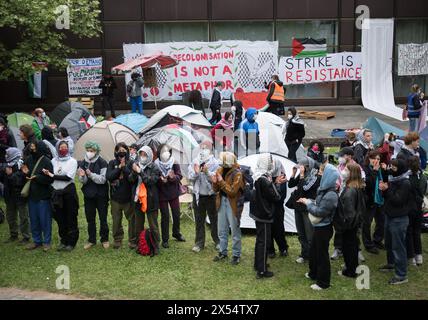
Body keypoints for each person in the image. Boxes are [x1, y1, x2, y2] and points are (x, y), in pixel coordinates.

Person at [297, 164, 339, 290]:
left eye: (322, 172)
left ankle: (323, 282)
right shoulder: (324, 189)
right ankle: (313, 273)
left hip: (324, 228)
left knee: (322, 255)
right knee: (314, 251)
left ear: (328, 176)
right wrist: (309, 201)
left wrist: (308, 204)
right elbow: (319, 203)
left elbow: (320, 212)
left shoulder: (331, 194)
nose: (320, 174)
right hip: (319, 226)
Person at [250, 153, 284, 279]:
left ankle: (258, 264)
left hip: (258, 212)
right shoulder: (264, 179)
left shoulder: (257, 176)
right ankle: (262, 270)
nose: (272, 163)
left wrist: (273, 182)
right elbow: (276, 196)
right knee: (263, 242)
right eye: (270, 162)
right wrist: (277, 183)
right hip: (264, 214)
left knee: (260, 240)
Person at [379, 159, 411, 285]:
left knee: (398, 247)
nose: (391, 168)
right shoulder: (394, 179)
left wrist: (386, 190)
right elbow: (389, 195)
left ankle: (401, 275)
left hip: (399, 219)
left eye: (394, 167)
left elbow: (398, 200)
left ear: (401, 168)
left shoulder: (405, 183)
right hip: (389, 216)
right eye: (391, 166)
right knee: (389, 243)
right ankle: (391, 263)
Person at [43, 141, 79, 252]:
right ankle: (63, 240)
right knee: (60, 218)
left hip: (68, 193)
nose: (63, 149)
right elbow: (50, 176)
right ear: (57, 148)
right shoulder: (53, 161)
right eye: (61, 147)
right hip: (56, 193)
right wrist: (47, 173)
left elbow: (68, 177)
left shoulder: (72, 161)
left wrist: (52, 175)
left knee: (70, 217)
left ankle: (71, 242)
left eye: (65, 147)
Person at [333, 147, 366, 261]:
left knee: (352, 232)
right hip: (342, 197)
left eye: (342, 155)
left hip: (349, 209)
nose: (340, 158)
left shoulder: (356, 168)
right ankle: (338, 248)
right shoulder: (339, 167)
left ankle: (356, 251)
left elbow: (361, 181)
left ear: (349, 156)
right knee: (340, 230)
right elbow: (337, 180)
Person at [212, 152, 244, 265]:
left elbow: (232, 192)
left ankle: (236, 254)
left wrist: (220, 181)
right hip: (222, 201)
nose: (221, 164)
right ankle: (223, 251)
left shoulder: (238, 173)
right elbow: (215, 189)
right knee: (222, 229)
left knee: (235, 230)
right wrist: (215, 182)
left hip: (233, 203)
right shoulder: (220, 170)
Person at [288, 156, 321, 263]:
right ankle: (304, 254)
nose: (301, 169)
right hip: (298, 207)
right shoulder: (302, 175)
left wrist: (301, 176)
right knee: (301, 233)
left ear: (308, 166)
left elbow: (303, 190)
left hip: (307, 208)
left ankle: (313, 256)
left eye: (302, 167)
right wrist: (294, 173)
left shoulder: (315, 177)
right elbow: (290, 184)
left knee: (309, 234)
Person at [77, 141, 110, 250]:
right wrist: (82, 177)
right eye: (88, 150)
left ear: (96, 151)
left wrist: (90, 174)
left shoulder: (102, 162)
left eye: (92, 151)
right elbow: (83, 181)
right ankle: (92, 240)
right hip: (88, 196)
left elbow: (102, 179)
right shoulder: (82, 163)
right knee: (90, 219)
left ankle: (104, 239)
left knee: (103, 218)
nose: (90, 152)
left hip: (101, 195)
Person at [129, 146, 161, 255]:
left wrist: (140, 171)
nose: (142, 157)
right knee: (138, 224)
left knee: (153, 224)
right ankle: (140, 244)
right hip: (138, 199)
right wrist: (134, 172)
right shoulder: (137, 165)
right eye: (141, 154)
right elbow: (130, 180)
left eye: (145, 155)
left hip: (150, 200)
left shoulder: (155, 168)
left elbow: (149, 181)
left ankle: (156, 245)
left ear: (150, 155)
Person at [188, 145, 220, 253]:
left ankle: (218, 241)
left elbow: (216, 180)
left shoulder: (215, 162)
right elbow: (190, 178)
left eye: (206, 147)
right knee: (199, 220)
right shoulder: (195, 161)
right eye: (202, 147)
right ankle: (199, 243)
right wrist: (196, 172)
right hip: (198, 196)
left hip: (211, 195)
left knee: (214, 219)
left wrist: (206, 172)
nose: (204, 149)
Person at [336, 163, 366, 278]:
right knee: (352, 246)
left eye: (346, 169)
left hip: (349, 225)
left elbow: (349, 212)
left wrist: (344, 225)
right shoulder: (356, 187)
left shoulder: (350, 191)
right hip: (353, 224)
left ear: (351, 173)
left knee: (349, 247)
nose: (343, 171)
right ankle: (351, 268)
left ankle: (350, 271)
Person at [23, 141, 54, 251]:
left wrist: (37, 177)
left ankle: (47, 242)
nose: (32, 149)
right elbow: (25, 173)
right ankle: (37, 241)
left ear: (39, 148)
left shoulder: (46, 161)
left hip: (43, 196)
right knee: (34, 220)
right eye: (31, 148)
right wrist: (25, 173)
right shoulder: (28, 159)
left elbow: (50, 179)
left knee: (45, 220)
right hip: (32, 195)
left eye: (34, 148)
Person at [155, 144, 185, 248]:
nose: (165, 153)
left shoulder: (174, 162)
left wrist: (172, 178)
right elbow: (154, 178)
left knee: (176, 214)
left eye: (167, 151)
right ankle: (165, 239)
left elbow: (179, 175)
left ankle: (176, 233)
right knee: (165, 216)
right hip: (162, 194)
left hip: (173, 193)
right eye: (163, 151)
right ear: (159, 152)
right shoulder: (156, 164)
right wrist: (161, 180)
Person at [106, 143, 135, 250]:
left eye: (124, 150)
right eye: (119, 150)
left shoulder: (131, 163)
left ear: (127, 151)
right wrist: (119, 168)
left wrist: (125, 168)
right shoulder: (112, 163)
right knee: (116, 220)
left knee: (132, 220)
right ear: (116, 152)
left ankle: (132, 240)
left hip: (128, 198)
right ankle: (117, 240)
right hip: (115, 198)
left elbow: (132, 178)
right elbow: (109, 176)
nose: (121, 152)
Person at [0, 148, 30, 244]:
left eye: (8, 154)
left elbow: (19, 180)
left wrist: (9, 175)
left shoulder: (22, 165)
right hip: (9, 196)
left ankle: (26, 236)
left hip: (20, 195)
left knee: (23, 217)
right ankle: (14, 234)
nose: (6, 156)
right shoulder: (6, 166)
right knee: (10, 216)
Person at [361, 150, 387, 255]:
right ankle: (368, 244)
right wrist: (375, 171)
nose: (376, 161)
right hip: (370, 200)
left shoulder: (380, 169)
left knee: (381, 221)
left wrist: (384, 171)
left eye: (378, 159)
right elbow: (368, 184)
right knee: (367, 223)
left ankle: (377, 240)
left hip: (380, 198)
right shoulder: (364, 169)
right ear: (369, 159)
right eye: (374, 158)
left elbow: (385, 180)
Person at [406, 156, 426, 266]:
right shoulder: (422, 177)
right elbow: (424, 190)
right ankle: (419, 256)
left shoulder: (407, 178)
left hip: (409, 207)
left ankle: (411, 256)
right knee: (417, 231)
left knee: (409, 231)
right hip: (419, 207)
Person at [268, 158, 289, 258]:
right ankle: (270, 250)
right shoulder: (267, 177)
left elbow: (280, 197)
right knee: (269, 229)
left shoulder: (282, 177)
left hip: (277, 208)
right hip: (268, 208)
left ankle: (283, 248)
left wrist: (276, 184)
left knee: (279, 229)